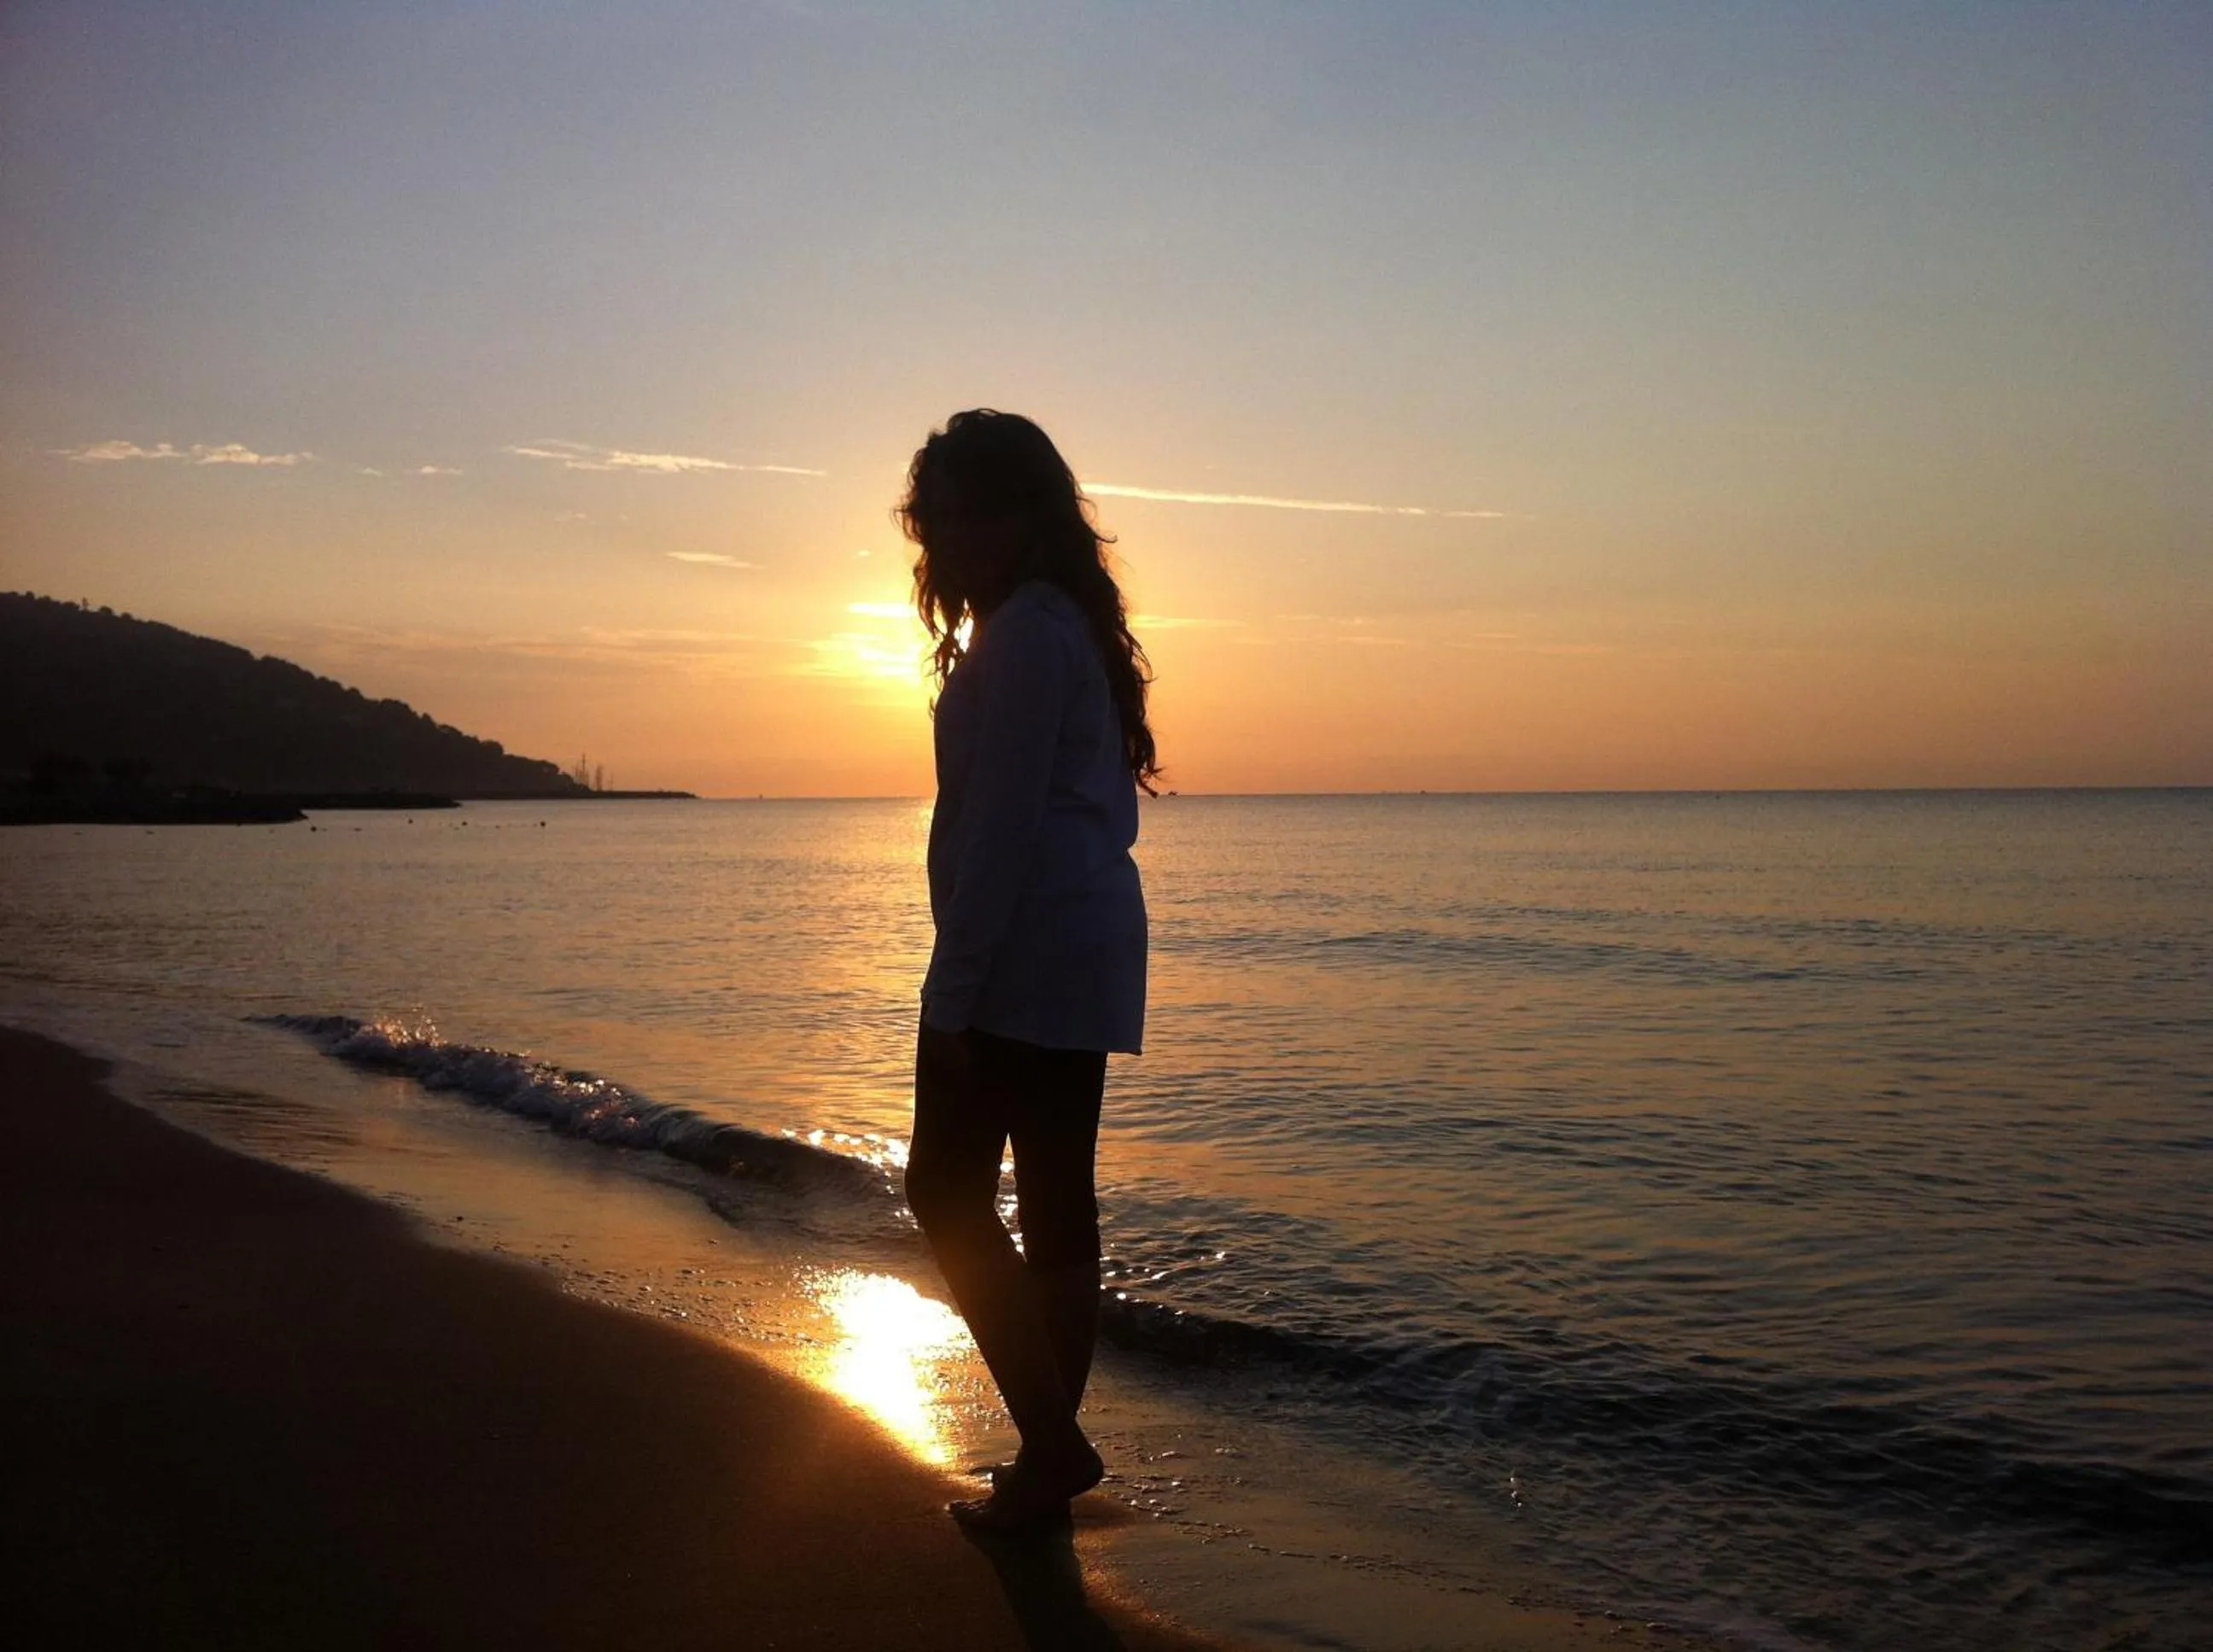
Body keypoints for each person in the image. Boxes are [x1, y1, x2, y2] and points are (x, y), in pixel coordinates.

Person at [897, 410, 1157, 1532]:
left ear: (1026, 513)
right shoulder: (1058, 627)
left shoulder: (1025, 641)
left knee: (946, 1189)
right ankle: (1049, 1454)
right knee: (1055, 1207)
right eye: (935, 515)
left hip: (1023, 957)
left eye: (971, 512)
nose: (950, 537)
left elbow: (997, 834)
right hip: (1078, 948)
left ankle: (1052, 1441)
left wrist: (950, 999)